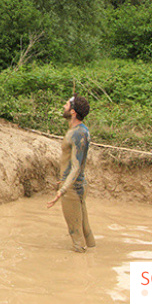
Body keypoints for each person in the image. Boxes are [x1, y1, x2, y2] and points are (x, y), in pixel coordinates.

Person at [47, 94, 95, 252]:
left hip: (72, 189)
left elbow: (76, 167)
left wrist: (62, 191)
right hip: (78, 185)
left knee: (76, 236)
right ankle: (93, 255)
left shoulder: (77, 134)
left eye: (66, 104)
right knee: (84, 229)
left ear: (73, 112)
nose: (63, 106)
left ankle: (80, 270)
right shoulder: (82, 130)